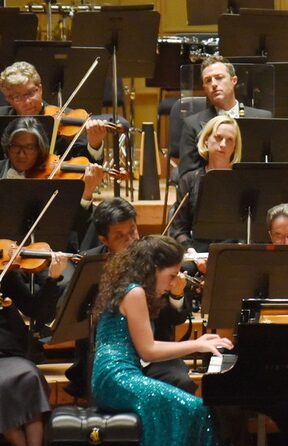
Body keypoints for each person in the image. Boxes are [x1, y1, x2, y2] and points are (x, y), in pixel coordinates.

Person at [91, 235, 269, 446]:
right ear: (152, 268)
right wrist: (197, 344)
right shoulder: (134, 292)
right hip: (117, 377)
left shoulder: (131, 288)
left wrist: (199, 343)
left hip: (121, 374)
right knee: (197, 410)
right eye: (171, 275)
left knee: (196, 410)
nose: (174, 282)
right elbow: (148, 350)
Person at [63, 198, 197, 399]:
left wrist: (176, 295)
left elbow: (174, 320)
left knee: (181, 381)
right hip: (111, 357)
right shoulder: (89, 266)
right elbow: (73, 314)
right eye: (120, 236)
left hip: (156, 353)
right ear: (103, 239)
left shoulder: (157, 256)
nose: (131, 240)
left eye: (133, 230)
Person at [1, 249, 69, 446]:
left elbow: (37, 311)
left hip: (8, 353)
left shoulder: (5, 271)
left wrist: (52, 279)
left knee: (29, 377)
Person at [0, 117, 104, 252]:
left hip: (53, 253)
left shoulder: (57, 176)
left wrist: (86, 194)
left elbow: (74, 225)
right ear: (7, 148)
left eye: (29, 147)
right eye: (15, 146)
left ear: (39, 149)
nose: (21, 154)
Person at [177, 55, 271, 179]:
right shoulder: (192, 124)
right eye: (208, 80)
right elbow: (187, 176)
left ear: (234, 80)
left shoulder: (262, 118)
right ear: (204, 88)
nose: (214, 84)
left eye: (219, 78)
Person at [0, 61, 108, 162]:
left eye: (30, 93)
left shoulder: (67, 119)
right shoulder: (2, 119)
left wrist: (95, 144)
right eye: (17, 97)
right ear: (9, 100)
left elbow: (85, 164)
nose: (27, 101)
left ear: (40, 89)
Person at [169, 114, 241, 251]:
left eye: (230, 140)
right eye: (218, 138)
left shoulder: (242, 182)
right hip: (196, 253)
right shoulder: (189, 180)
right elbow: (179, 229)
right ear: (207, 140)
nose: (223, 144)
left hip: (232, 253)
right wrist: (193, 254)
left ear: (235, 147)